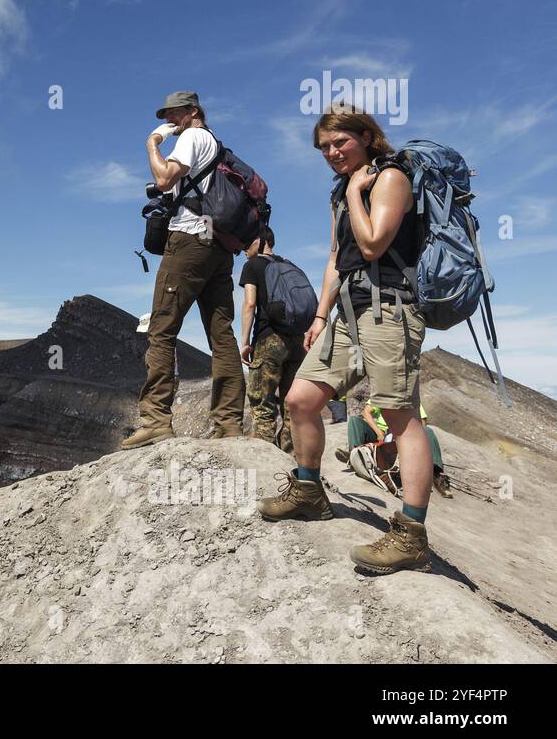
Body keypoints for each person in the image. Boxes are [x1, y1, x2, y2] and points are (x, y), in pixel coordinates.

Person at [256, 103, 436, 574]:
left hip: (389, 310)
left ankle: (411, 535)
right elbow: (338, 256)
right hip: (348, 313)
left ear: (365, 136)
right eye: (324, 147)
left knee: (399, 415)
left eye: (340, 142)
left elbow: (375, 242)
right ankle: (309, 492)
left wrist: (357, 193)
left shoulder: (391, 178)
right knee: (299, 400)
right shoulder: (343, 190)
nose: (332, 152)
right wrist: (320, 313)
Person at [123, 90, 246, 449]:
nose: (170, 121)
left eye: (175, 114)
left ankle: (156, 419)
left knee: (162, 328)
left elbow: (164, 179)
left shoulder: (193, 137)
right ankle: (228, 423)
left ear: (193, 111)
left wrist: (152, 144)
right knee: (221, 334)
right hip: (219, 248)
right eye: (167, 116)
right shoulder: (217, 148)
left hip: (190, 239)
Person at [239, 227, 306, 453]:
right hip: (297, 341)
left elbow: (249, 304)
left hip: (269, 340)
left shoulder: (253, 265)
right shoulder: (291, 266)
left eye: (246, 243)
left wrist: (245, 341)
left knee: (262, 403)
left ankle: (265, 458)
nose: (243, 249)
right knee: (292, 407)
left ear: (259, 241)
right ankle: (289, 456)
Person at [343, 400, 452, 497]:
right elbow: (366, 412)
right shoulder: (382, 394)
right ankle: (354, 455)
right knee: (354, 421)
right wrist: (378, 431)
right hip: (382, 433)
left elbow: (423, 422)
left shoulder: (411, 398)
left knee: (427, 431)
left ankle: (437, 473)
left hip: (403, 434)